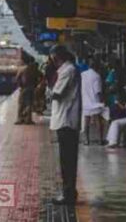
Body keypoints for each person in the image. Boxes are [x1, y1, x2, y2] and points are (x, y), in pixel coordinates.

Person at [46, 45, 81, 205]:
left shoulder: (68, 71)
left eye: (52, 58)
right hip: (64, 120)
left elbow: (56, 94)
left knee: (67, 160)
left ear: (56, 57)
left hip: (66, 120)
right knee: (66, 159)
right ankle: (68, 192)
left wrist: (49, 83)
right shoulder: (65, 70)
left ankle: (68, 194)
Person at [81, 59, 108, 144]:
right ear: (96, 66)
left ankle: (86, 140)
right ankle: (100, 140)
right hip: (95, 101)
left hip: (85, 100)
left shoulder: (82, 74)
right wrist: (103, 100)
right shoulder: (97, 76)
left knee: (86, 120)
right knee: (98, 121)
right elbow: (98, 91)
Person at [15, 53, 40, 125]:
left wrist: (20, 85)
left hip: (24, 88)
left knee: (21, 103)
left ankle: (19, 119)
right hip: (32, 88)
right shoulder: (34, 69)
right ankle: (28, 119)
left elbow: (17, 78)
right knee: (29, 103)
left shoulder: (22, 69)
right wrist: (36, 84)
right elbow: (40, 76)